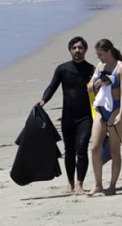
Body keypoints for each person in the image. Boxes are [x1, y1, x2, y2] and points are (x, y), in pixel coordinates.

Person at [37, 36, 96, 194]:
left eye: (80, 48)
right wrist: (43, 100)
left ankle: (79, 184)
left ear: (85, 50)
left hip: (85, 117)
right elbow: (52, 87)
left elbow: (100, 89)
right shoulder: (62, 69)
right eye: (74, 48)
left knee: (82, 149)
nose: (77, 51)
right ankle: (70, 182)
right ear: (70, 50)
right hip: (68, 117)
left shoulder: (91, 70)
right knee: (69, 151)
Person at [86, 39, 122, 196]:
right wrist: (97, 83)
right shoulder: (100, 66)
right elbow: (90, 85)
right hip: (101, 108)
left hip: (116, 109)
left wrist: (121, 112)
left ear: (109, 52)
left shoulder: (121, 68)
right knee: (94, 147)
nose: (99, 58)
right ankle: (98, 184)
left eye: (101, 55)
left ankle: (112, 185)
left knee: (114, 149)